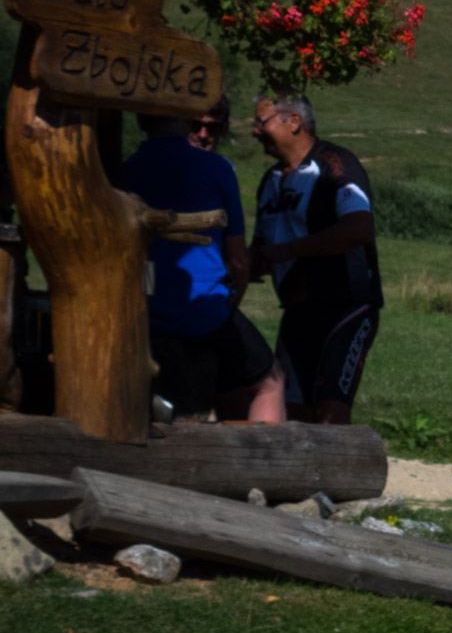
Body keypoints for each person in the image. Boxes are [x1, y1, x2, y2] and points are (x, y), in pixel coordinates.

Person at [120, 113, 285, 422]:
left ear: (142, 123)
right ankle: (266, 458)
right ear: (185, 121)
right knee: (269, 381)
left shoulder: (125, 170)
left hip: (142, 311)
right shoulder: (217, 168)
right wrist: (235, 297)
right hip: (202, 312)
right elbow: (237, 259)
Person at [250, 94, 382, 424]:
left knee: (329, 414)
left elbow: (359, 229)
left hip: (345, 307)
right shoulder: (270, 181)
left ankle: (341, 475)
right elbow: (259, 250)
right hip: (297, 312)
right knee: (291, 414)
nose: (254, 131)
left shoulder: (334, 164)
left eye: (260, 122)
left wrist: (285, 253)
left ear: (293, 121)